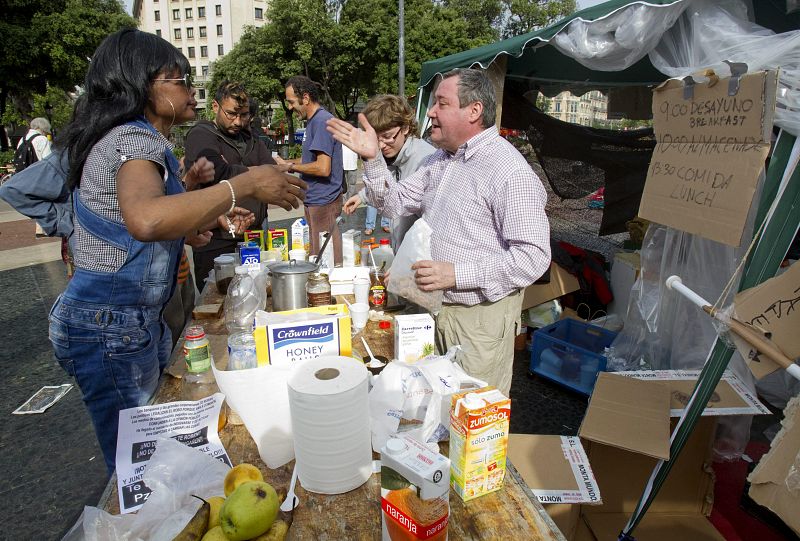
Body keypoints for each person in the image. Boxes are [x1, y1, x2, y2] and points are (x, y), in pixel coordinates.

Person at [48, 29, 305, 473]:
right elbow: (146, 219)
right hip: (112, 324)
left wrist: (195, 225)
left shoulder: (134, 139)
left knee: (148, 461)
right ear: (144, 85)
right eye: (180, 78)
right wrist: (241, 185)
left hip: (121, 323)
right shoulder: (134, 138)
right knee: (140, 471)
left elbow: (131, 223)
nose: (191, 90)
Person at [327, 68, 550, 396]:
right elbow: (397, 202)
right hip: (437, 307)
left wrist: (457, 274)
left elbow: (534, 257)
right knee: (439, 409)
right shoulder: (442, 160)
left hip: (479, 320)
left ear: (473, 111)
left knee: (473, 415)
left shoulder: (509, 171)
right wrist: (373, 159)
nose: (429, 112)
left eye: (441, 103)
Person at [183, 81, 277, 283]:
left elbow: (272, 171)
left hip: (253, 237)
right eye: (231, 114)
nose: (237, 122)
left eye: (243, 115)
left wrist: (235, 170)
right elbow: (217, 173)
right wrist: (255, 172)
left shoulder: (250, 138)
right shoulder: (201, 135)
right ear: (215, 106)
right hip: (216, 241)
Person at [342, 95, 435, 251]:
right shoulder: (396, 154)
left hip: (419, 254)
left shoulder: (425, 160)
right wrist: (362, 196)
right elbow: (390, 182)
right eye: (376, 139)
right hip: (402, 247)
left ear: (405, 128)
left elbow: (399, 196)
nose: (381, 145)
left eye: (387, 136)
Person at [278, 75, 344, 264]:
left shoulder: (322, 121)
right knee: (317, 255)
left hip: (324, 201)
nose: (290, 107)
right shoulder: (314, 121)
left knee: (327, 259)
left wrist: (291, 166)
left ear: (305, 98)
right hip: (315, 200)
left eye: (292, 102)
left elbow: (323, 168)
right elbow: (310, 159)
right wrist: (286, 164)